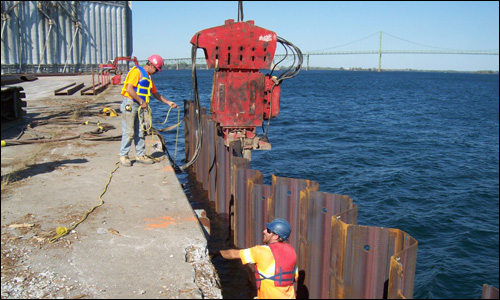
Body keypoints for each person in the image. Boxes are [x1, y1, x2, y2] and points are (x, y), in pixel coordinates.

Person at [119, 54, 178, 166]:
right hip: (131, 104)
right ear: (151, 65)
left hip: (140, 106)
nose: (156, 72)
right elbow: (129, 89)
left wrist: (168, 102)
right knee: (129, 131)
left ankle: (140, 155)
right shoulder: (137, 72)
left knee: (141, 131)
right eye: (156, 69)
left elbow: (155, 93)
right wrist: (141, 101)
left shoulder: (148, 77)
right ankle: (124, 155)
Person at [220, 218, 298, 299]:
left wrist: (215, 253)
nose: (264, 231)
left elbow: (232, 254)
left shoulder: (261, 252)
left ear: (276, 236)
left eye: (268, 230)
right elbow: (295, 278)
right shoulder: (292, 252)